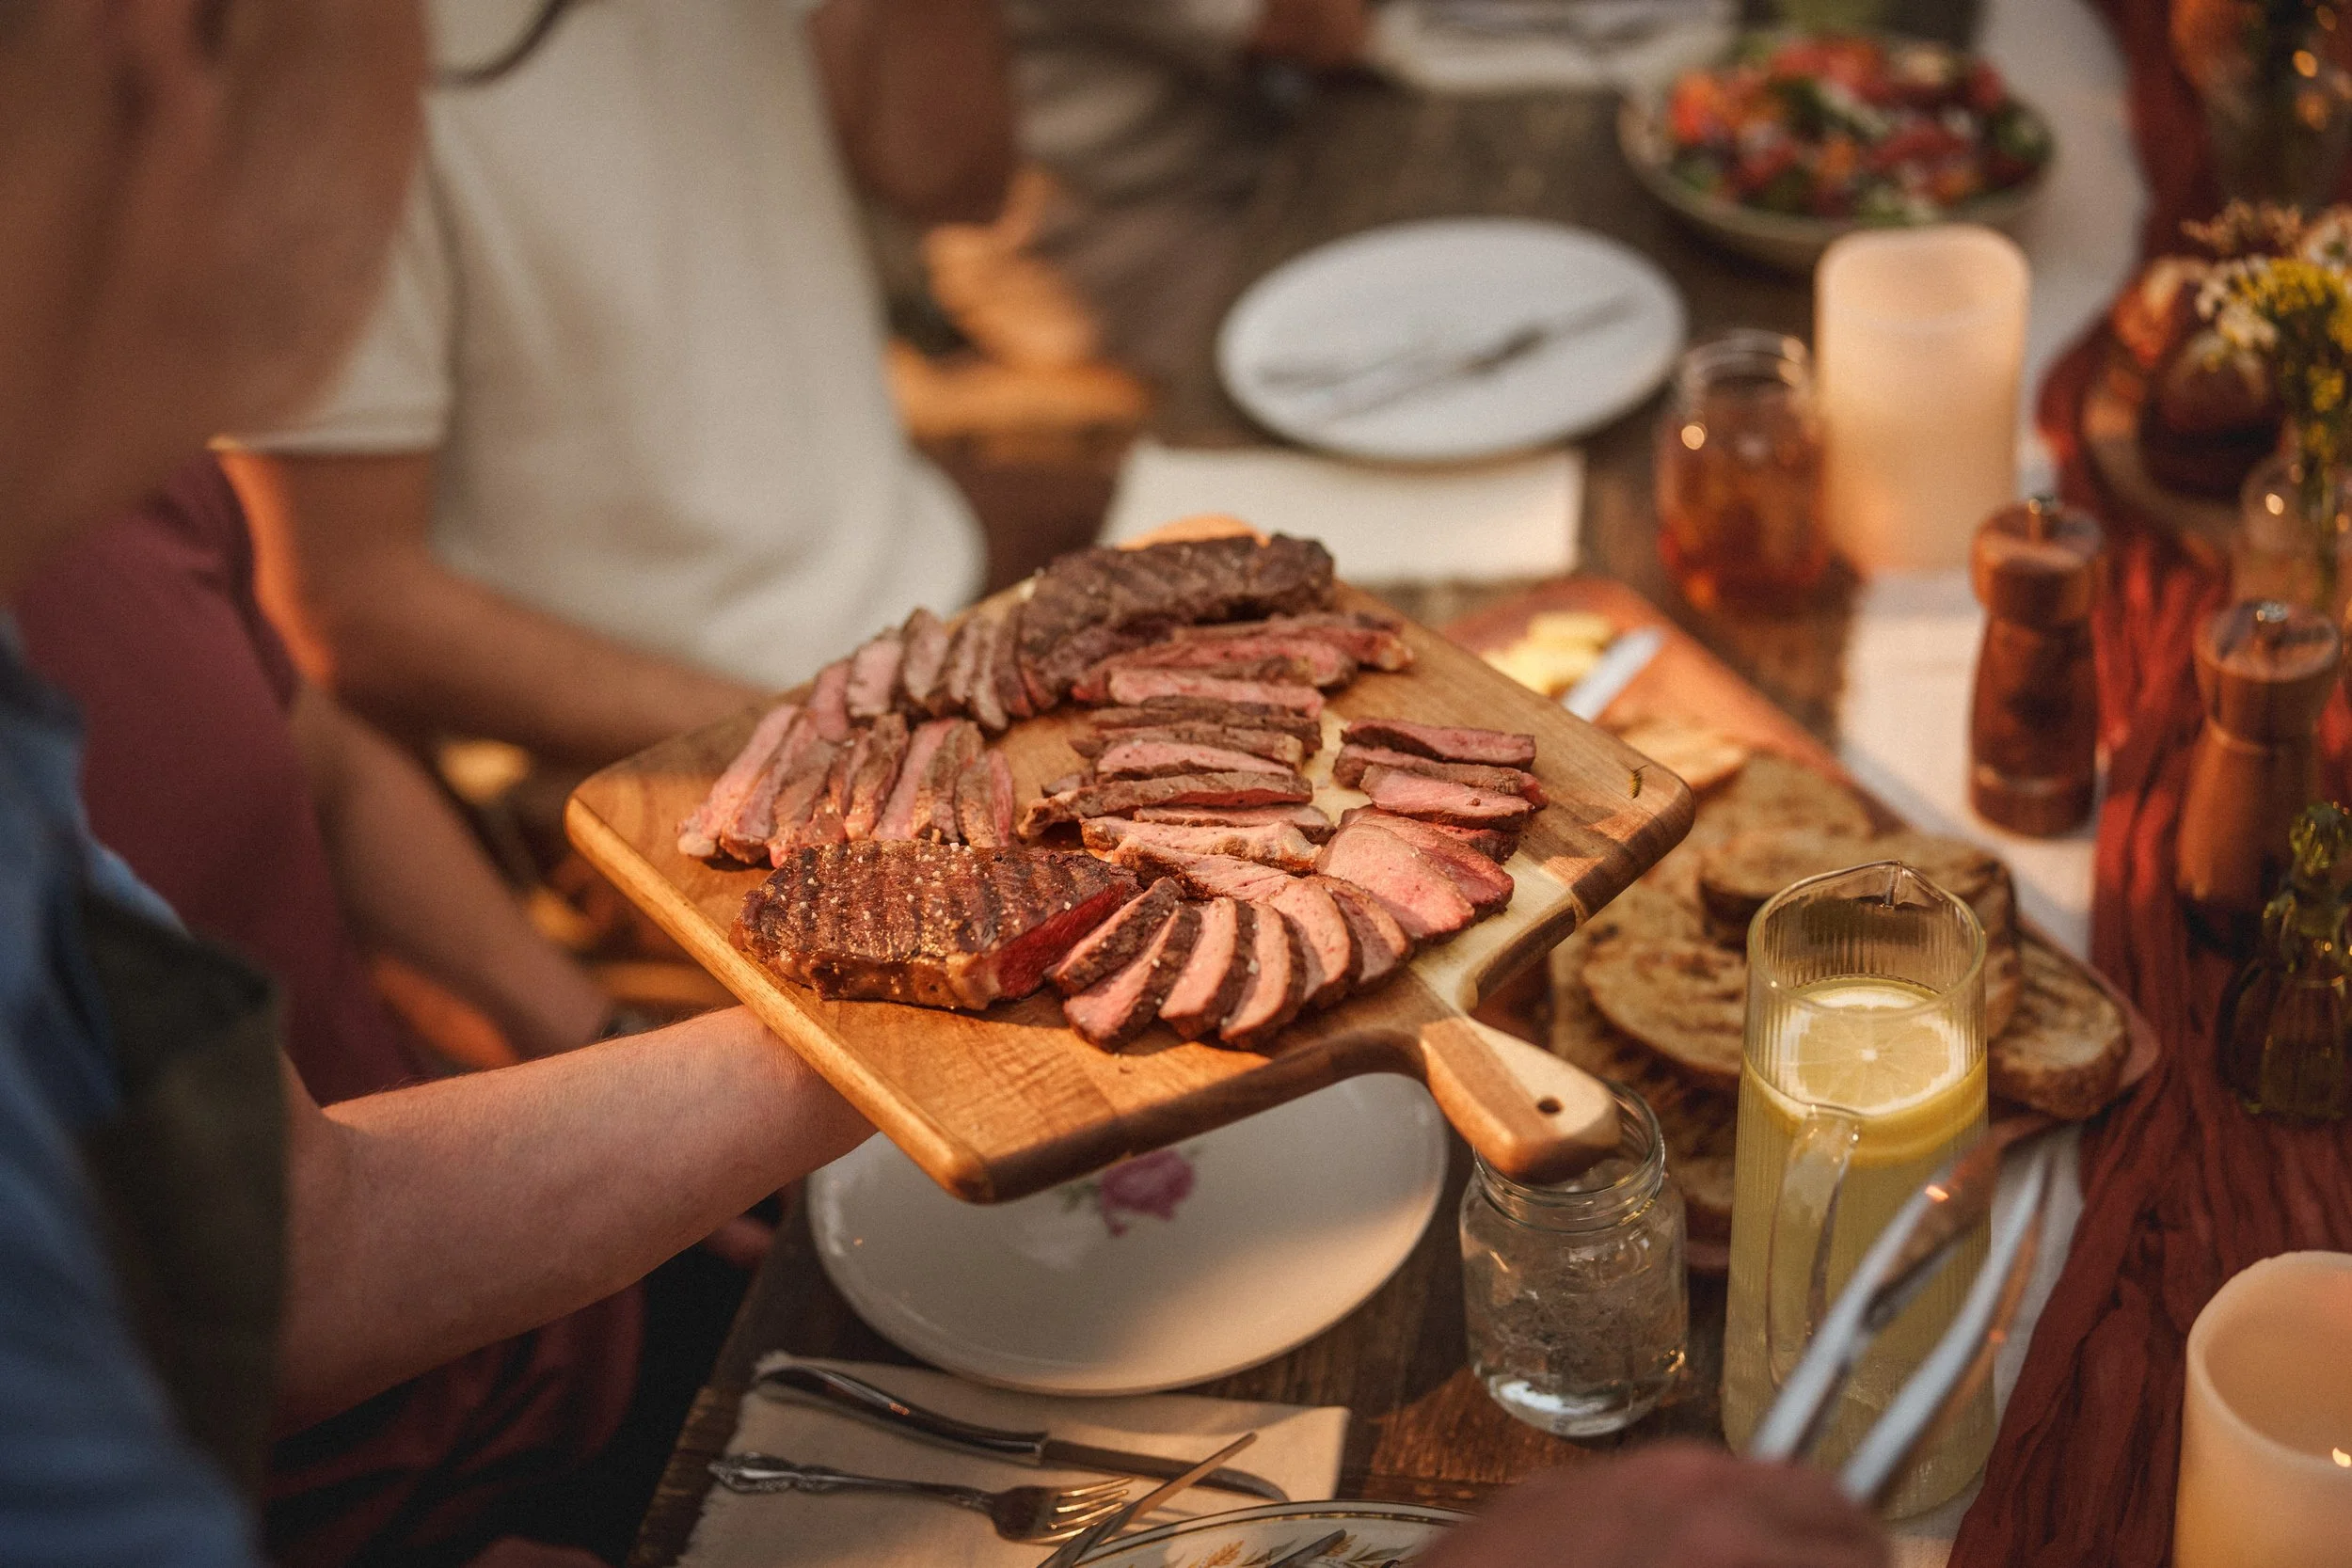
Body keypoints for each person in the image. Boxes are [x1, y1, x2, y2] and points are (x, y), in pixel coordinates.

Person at [0, 4, 1888, 1564]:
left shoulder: (80, 529)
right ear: (171, 46)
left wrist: (953, 975)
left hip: (546, 1289)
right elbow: (276, 1303)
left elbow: (297, 1213)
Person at [220, 0, 1017, 767]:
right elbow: (343, 605)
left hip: (929, 624)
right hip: (667, 757)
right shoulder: (324, 63)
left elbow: (949, 177)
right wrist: (824, 744)